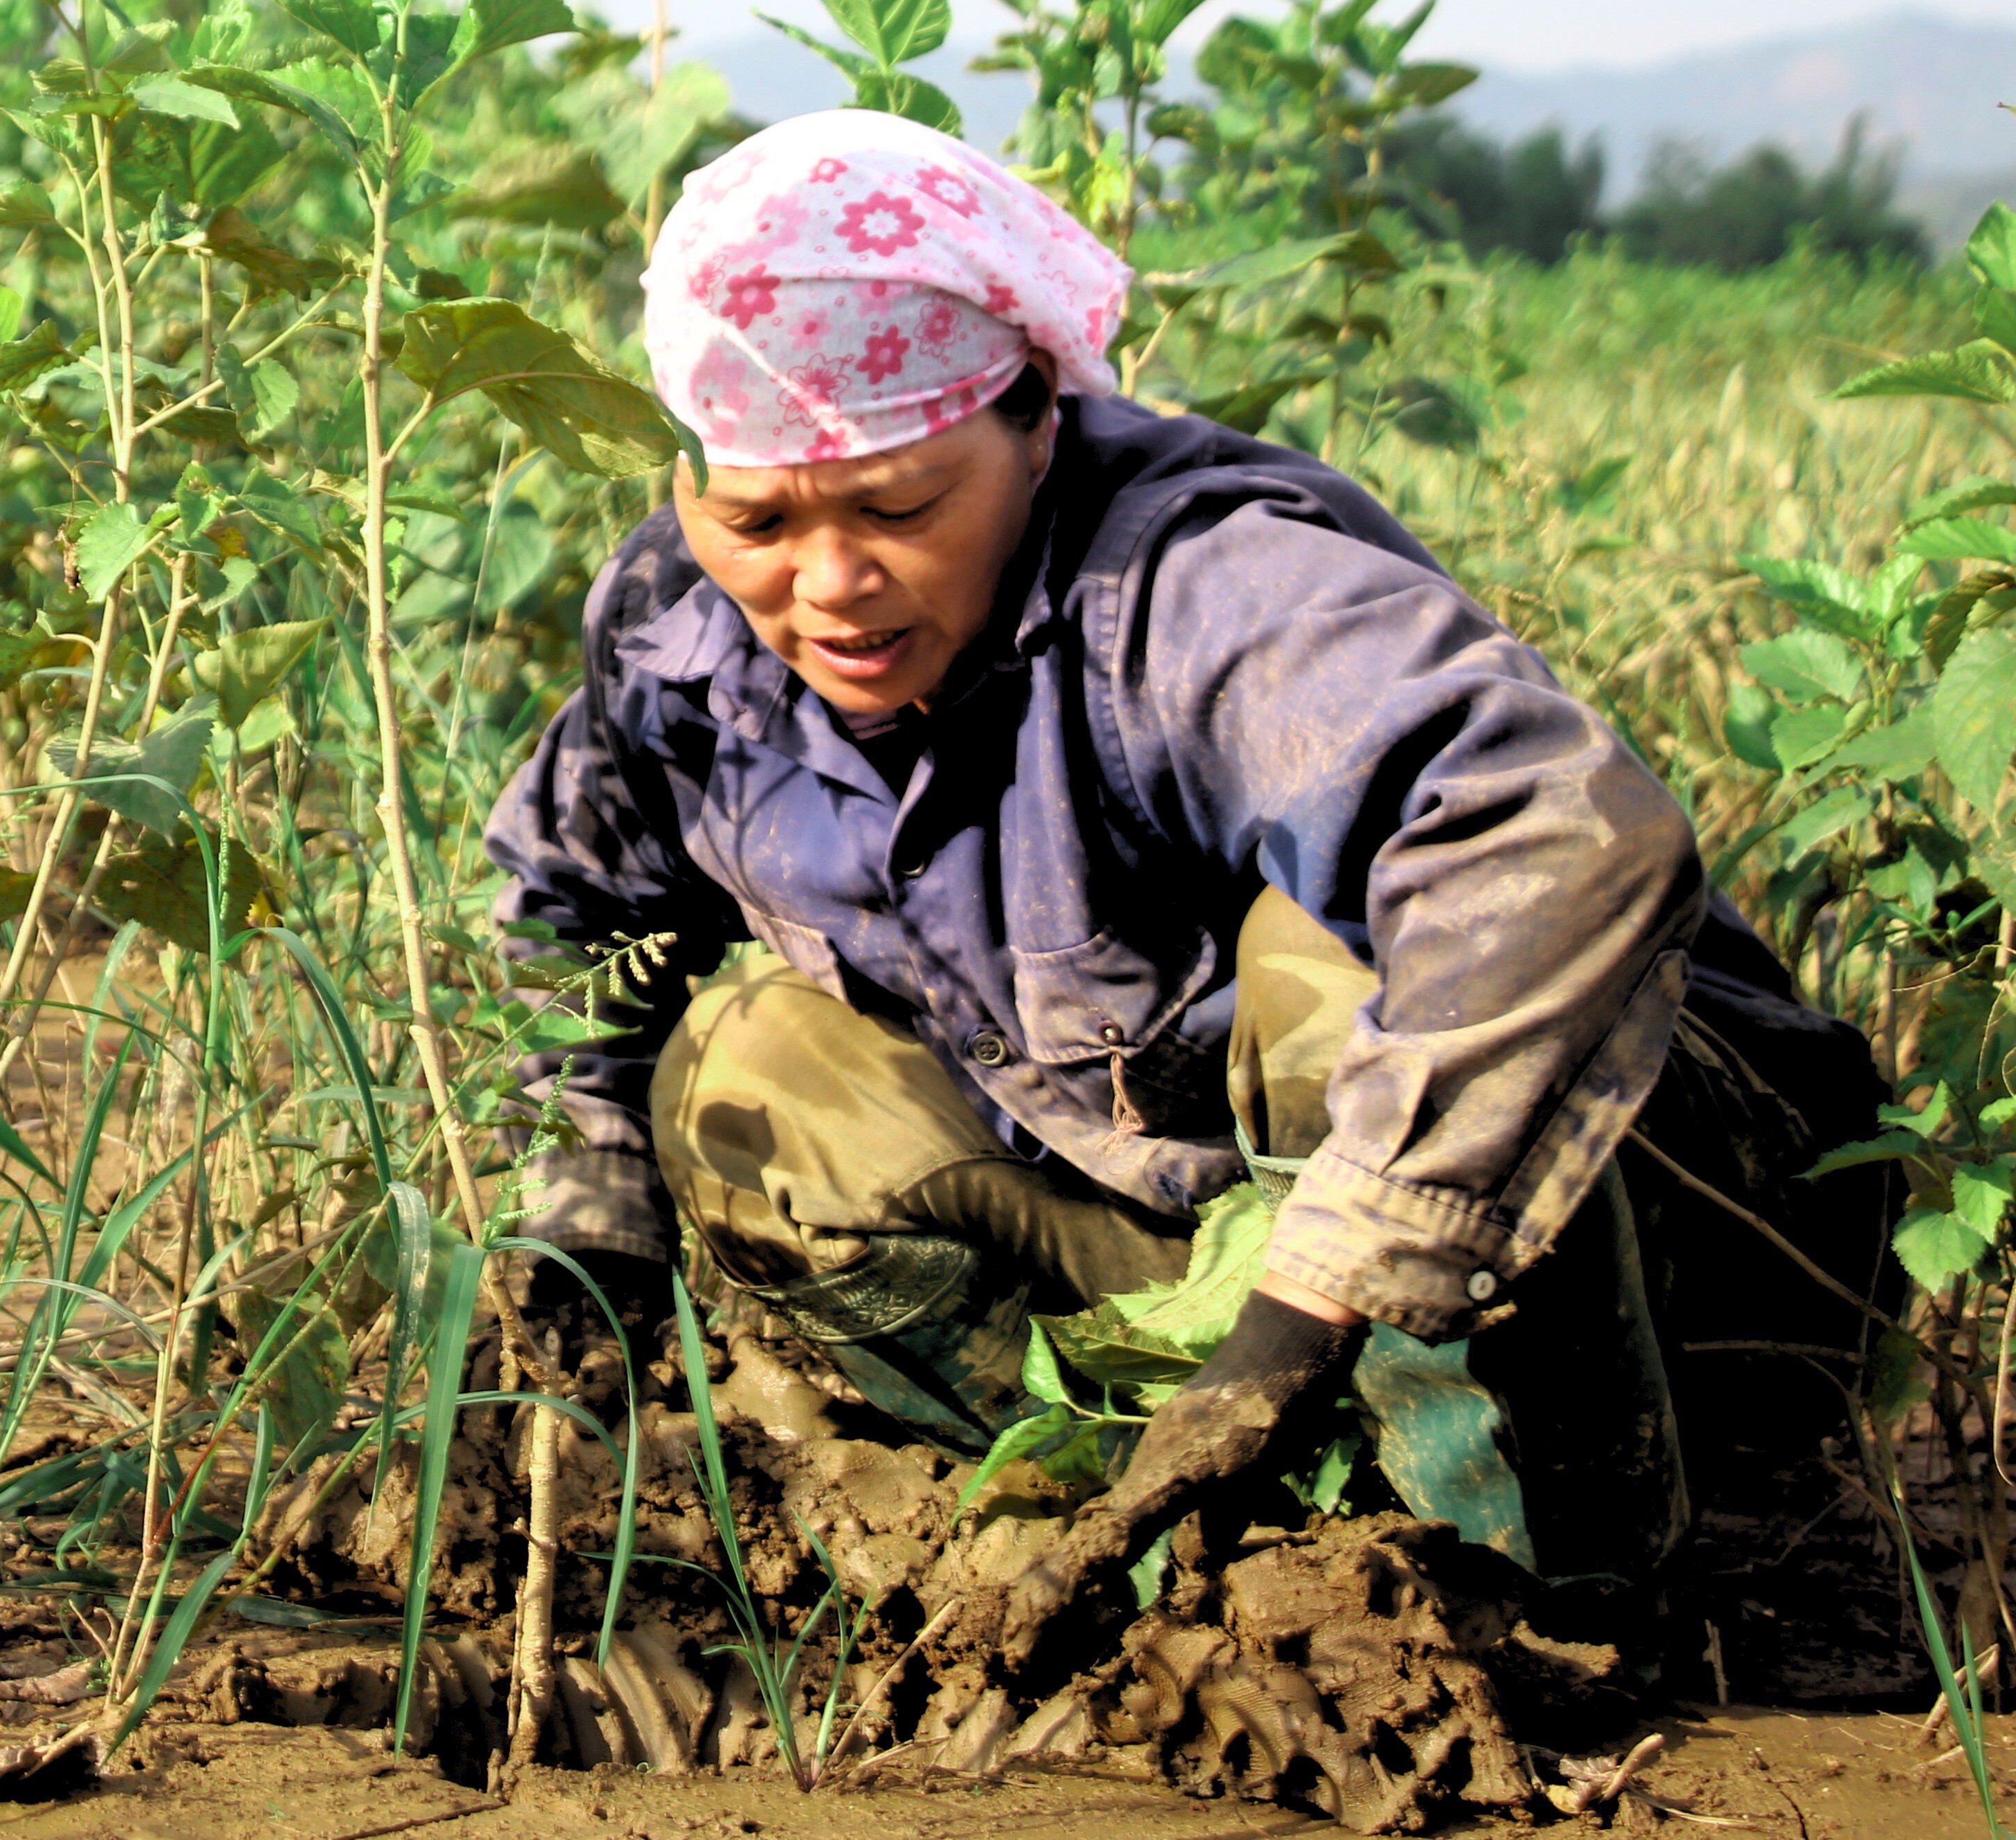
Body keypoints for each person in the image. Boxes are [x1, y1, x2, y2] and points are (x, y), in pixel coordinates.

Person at [484, 109, 1875, 1657]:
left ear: (1036, 425)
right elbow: (579, 905)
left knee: (1327, 961)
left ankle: (1540, 1594)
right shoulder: (683, 631)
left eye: (895, 508)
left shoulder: (1198, 586)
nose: (825, 584)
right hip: (1184, 1194)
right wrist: (587, 1205)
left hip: (1651, 1219)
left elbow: (1551, 832)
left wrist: (1309, 1308)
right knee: (753, 1075)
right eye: (757, 519)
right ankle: (1162, 1512)